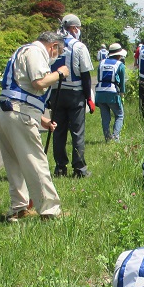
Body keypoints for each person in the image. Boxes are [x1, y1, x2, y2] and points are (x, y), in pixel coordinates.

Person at [0, 31, 70, 222]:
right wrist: (59, 73)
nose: (56, 57)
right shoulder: (36, 52)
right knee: (36, 161)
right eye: (58, 52)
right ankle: (49, 210)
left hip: (6, 113)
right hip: (19, 114)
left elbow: (21, 89)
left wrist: (42, 119)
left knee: (14, 164)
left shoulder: (22, 51)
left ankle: (18, 207)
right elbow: (39, 83)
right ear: (53, 46)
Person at [51, 14, 95, 178]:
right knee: (77, 132)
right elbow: (85, 74)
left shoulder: (54, 45)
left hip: (55, 92)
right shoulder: (78, 46)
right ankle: (79, 168)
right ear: (74, 28)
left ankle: (60, 167)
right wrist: (88, 97)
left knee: (58, 131)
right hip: (75, 93)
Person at [95, 43, 128, 142]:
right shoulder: (120, 65)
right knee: (119, 115)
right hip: (112, 92)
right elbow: (122, 82)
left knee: (105, 117)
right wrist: (122, 94)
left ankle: (107, 137)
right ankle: (116, 137)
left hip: (100, 92)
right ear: (118, 55)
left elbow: (98, 77)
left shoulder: (101, 63)